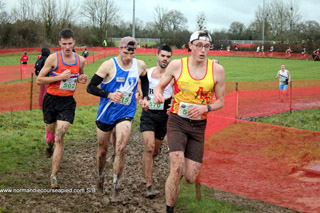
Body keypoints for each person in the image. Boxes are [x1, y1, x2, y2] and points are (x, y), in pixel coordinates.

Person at [153, 30, 225, 213]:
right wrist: (158, 95)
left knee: (191, 176)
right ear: (190, 46)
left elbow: (220, 101)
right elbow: (160, 87)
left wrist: (206, 108)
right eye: (199, 45)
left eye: (207, 46)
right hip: (177, 121)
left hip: (199, 125)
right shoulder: (177, 66)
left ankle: (173, 181)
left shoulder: (217, 70)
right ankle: (169, 208)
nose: (203, 50)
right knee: (176, 168)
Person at [86, 36, 149, 202]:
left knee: (120, 147)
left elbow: (145, 79)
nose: (128, 56)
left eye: (132, 53)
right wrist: (109, 94)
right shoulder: (108, 65)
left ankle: (116, 186)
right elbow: (90, 87)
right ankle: (100, 177)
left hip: (126, 111)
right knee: (102, 151)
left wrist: (146, 97)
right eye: (125, 52)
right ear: (119, 49)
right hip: (106, 112)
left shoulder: (140, 65)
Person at [36, 29, 88, 189]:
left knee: (60, 136)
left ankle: (54, 176)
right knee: (51, 137)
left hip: (67, 102)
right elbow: (39, 80)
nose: (67, 47)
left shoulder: (80, 60)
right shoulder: (53, 59)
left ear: (74, 43)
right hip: (51, 100)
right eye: (64, 44)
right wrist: (59, 77)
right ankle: (49, 145)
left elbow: (80, 77)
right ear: (60, 43)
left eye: (70, 43)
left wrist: (82, 79)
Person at [140, 44, 173, 199]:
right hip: (148, 114)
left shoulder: (173, 76)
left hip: (163, 117)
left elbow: (177, 95)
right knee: (149, 147)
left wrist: (171, 103)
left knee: (155, 151)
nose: (165, 59)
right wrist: (141, 99)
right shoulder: (147, 73)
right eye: (163, 56)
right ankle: (149, 184)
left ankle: (148, 165)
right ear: (157, 55)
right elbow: (139, 91)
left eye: (168, 57)